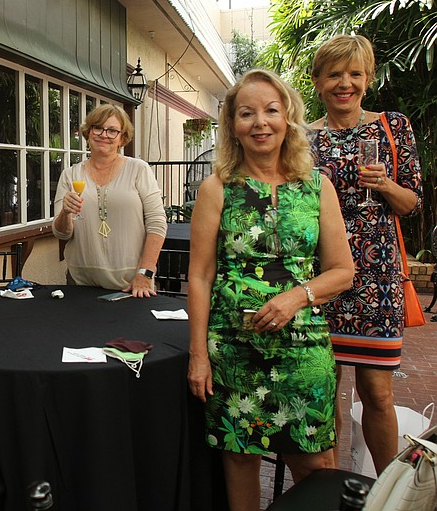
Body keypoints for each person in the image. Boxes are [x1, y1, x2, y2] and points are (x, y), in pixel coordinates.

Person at [186, 69, 354, 511]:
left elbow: (343, 271)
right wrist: (199, 355)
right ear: (232, 125)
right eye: (247, 113)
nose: (260, 122)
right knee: (239, 458)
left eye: (271, 111)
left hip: (304, 349)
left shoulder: (317, 187)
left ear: (288, 118)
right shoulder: (217, 188)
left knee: (315, 467)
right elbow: (200, 276)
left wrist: (296, 296)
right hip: (233, 349)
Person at [309, 35, 422, 474]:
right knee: (323, 392)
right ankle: (330, 486)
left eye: (355, 74)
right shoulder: (303, 137)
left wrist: (386, 185)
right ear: (317, 81)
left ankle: (386, 488)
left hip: (377, 279)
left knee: (377, 393)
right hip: (320, 275)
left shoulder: (392, 127)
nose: (345, 83)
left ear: (368, 78)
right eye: (335, 74)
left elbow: (411, 203)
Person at [52, 103, 167, 296]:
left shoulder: (138, 170)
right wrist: (65, 212)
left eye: (112, 130)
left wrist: (145, 273)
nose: (103, 135)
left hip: (131, 284)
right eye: (98, 127)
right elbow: (61, 234)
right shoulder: (70, 175)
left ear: (122, 137)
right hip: (80, 283)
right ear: (88, 132)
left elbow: (157, 223)